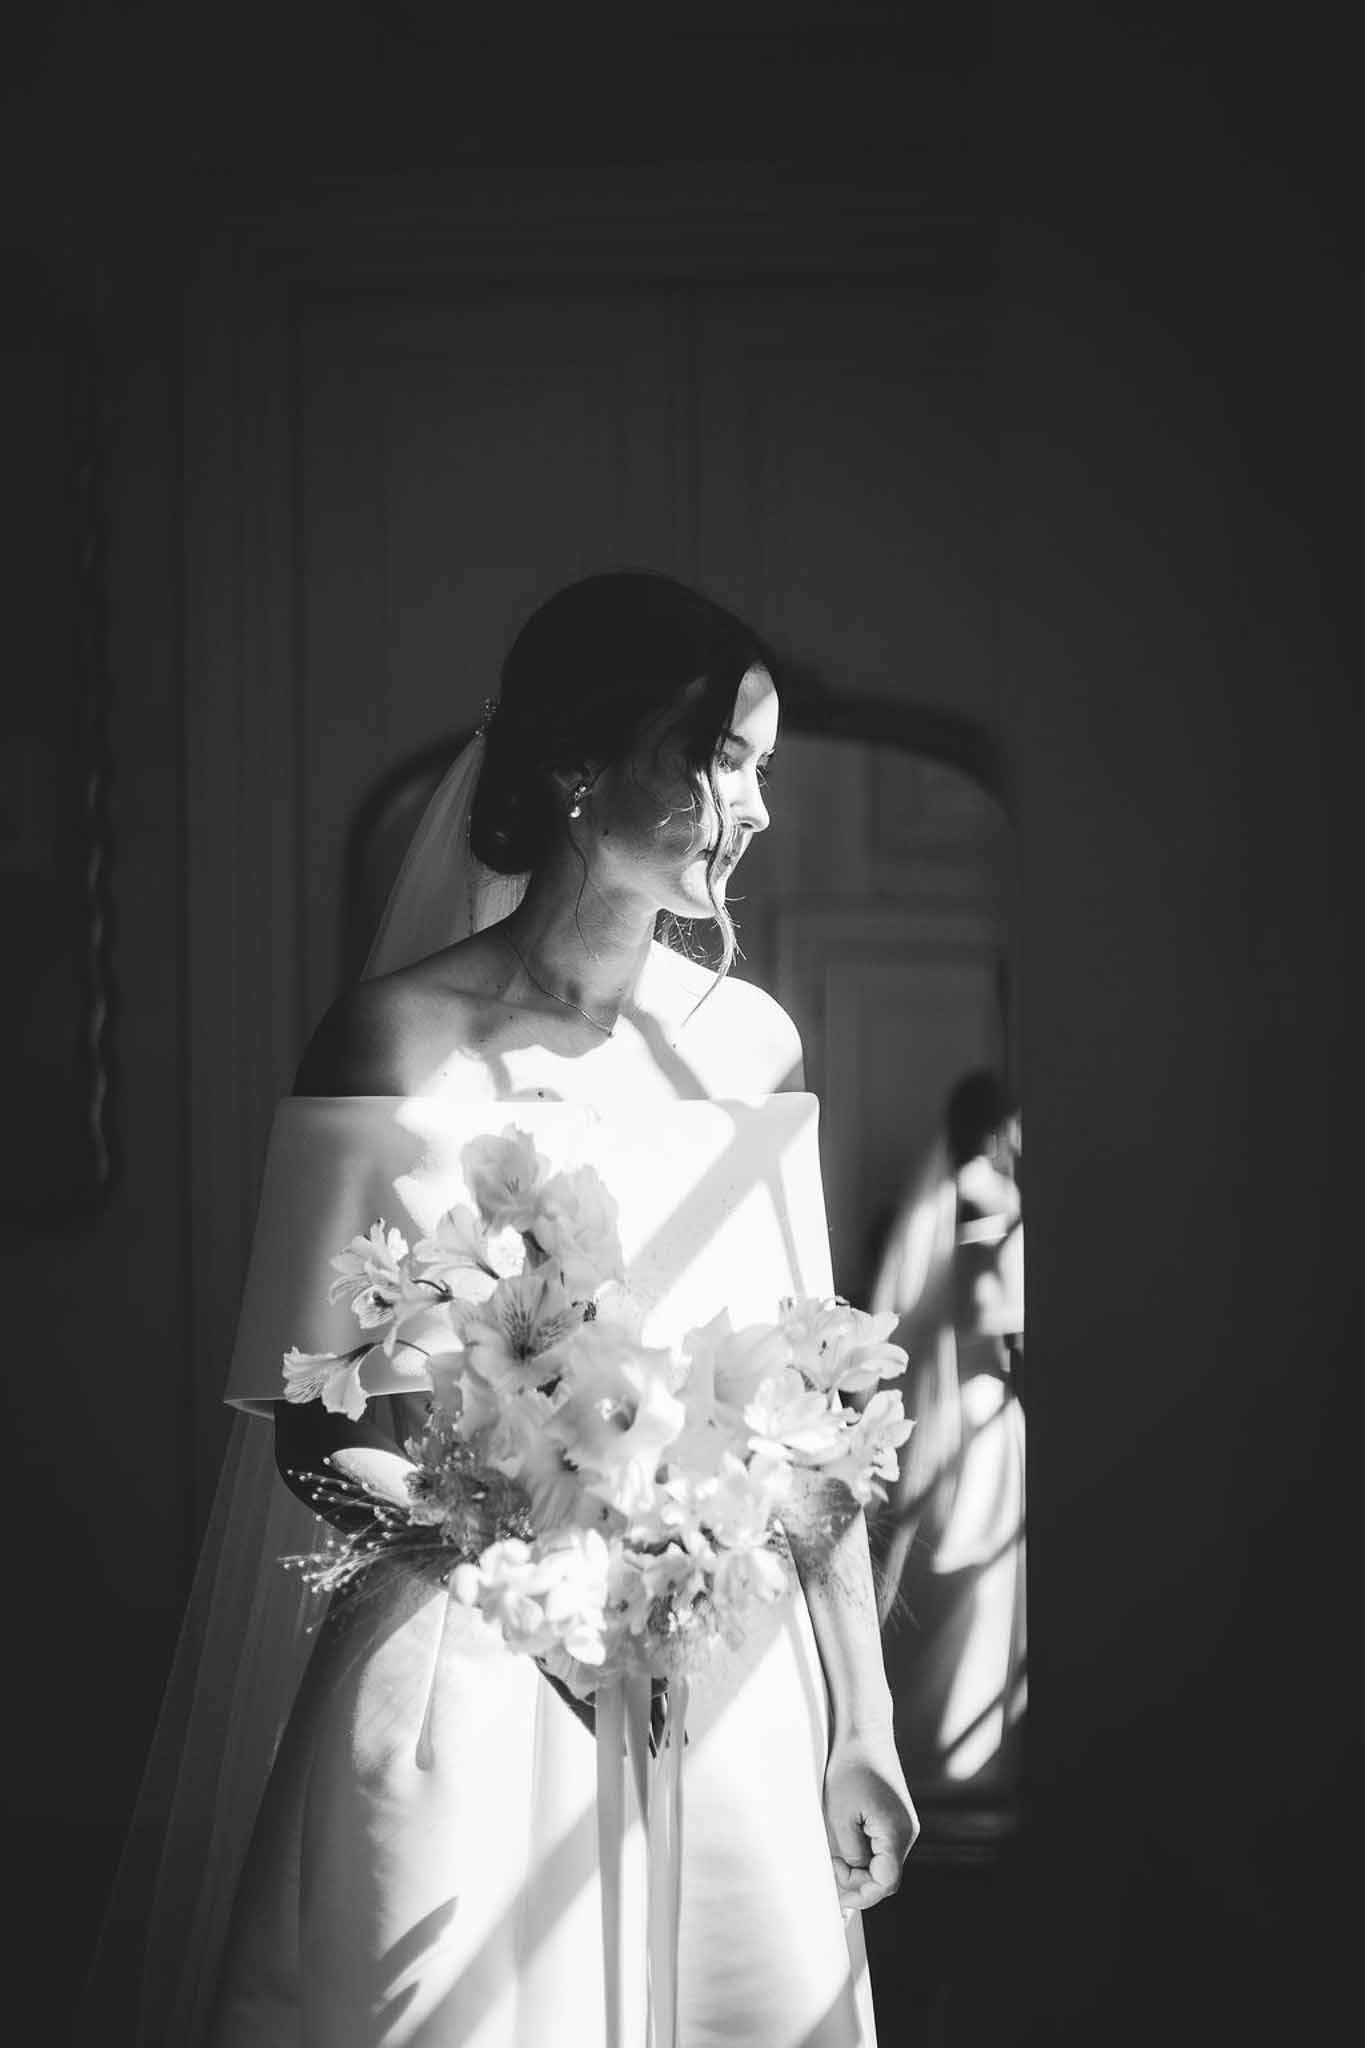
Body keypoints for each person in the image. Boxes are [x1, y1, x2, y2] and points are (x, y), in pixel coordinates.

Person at [83, 571, 918, 2047]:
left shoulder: (751, 1045)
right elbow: (308, 1430)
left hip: (722, 1674)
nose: (756, 809)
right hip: (459, 1683)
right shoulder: (397, 1041)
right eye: (721, 758)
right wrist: (537, 1599)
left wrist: (863, 1717)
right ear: (583, 759)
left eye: (764, 770)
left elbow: (814, 1410)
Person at [867, 1067, 1026, 1798]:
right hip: (978, 1405)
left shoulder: (940, 1192)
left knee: (945, 1569)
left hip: (949, 1404)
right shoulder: (985, 1194)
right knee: (972, 1578)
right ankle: (961, 1752)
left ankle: (930, 1742)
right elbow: (993, 1310)